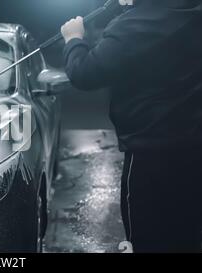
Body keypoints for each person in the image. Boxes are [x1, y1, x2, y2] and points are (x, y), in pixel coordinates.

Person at [60, 0, 202, 252]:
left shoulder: (137, 24)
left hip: (151, 153)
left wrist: (73, 39)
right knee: (187, 234)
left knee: (149, 236)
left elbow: (84, 72)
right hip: (192, 145)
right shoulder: (187, 12)